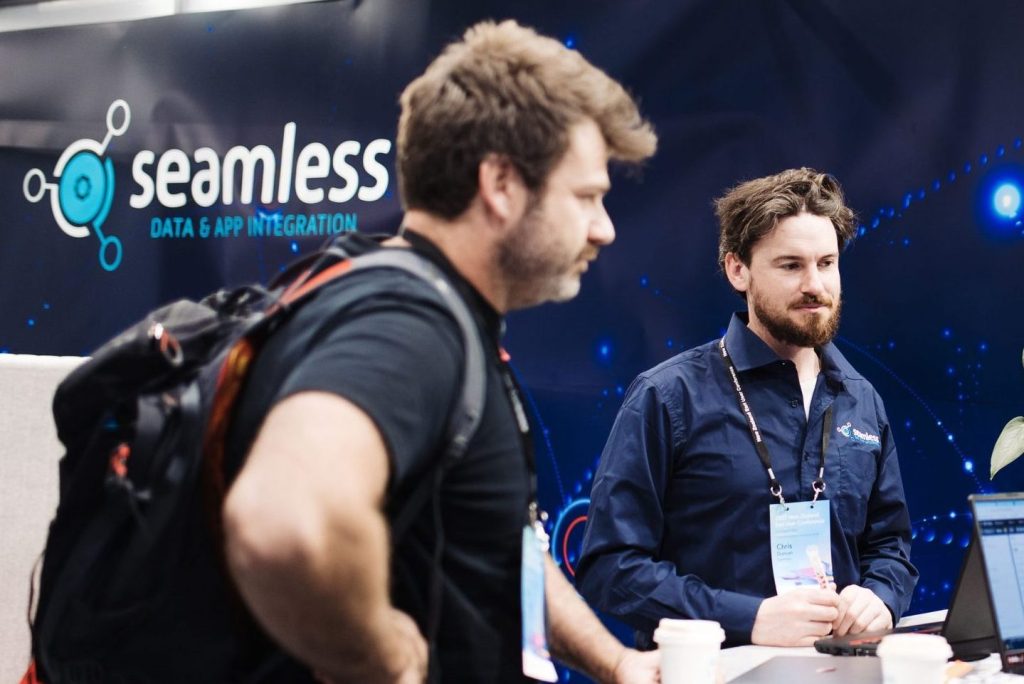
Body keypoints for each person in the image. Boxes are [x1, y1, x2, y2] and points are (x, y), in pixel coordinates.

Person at [221, 19, 659, 683]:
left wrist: (618, 663)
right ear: (501, 184)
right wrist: (383, 658)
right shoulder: (410, 324)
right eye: (587, 197)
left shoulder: (420, 302)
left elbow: (496, 542)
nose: (604, 229)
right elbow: (285, 521)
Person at [576, 168, 918, 649]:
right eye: (790, 265)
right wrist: (747, 618)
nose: (814, 285)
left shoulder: (861, 400)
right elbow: (611, 567)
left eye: (826, 263)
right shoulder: (667, 395)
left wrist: (880, 597)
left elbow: (890, 546)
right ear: (738, 269)